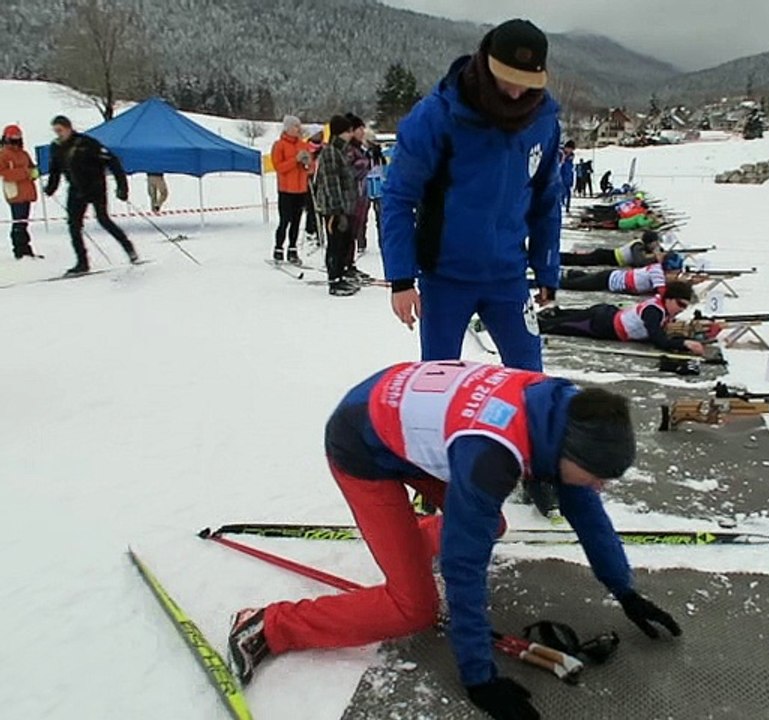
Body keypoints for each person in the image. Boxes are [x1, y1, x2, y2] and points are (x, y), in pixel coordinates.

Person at [228, 360, 682, 720]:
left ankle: (405, 544)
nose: (600, 487)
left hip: (407, 417)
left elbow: (582, 502)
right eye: (598, 475)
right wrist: (478, 677)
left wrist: (625, 589)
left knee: (488, 525)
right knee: (415, 607)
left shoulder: (564, 410)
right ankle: (269, 627)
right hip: (360, 445)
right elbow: (464, 567)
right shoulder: (492, 455)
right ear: (569, 453)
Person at [381, 18, 563, 372]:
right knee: (439, 379)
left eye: (527, 84)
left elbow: (546, 198)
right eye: (508, 79)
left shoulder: (543, 121)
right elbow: (398, 197)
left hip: (508, 276)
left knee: (530, 377)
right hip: (446, 277)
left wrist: (547, 269)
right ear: (486, 65)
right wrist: (401, 279)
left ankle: (520, 429)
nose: (515, 93)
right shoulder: (437, 116)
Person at [44, 115, 137, 275]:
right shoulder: (56, 147)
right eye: (55, 131)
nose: (58, 134)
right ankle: (82, 262)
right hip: (76, 190)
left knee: (103, 220)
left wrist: (122, 187)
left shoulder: (87, 143)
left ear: (68, 128)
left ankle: (129, 248)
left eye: (60, 130)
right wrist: (51, 187)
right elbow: (55, 169)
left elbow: (112, 161)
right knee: (74, 226)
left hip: (95, 187)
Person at [538, 280, 705, 355]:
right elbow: (659, 340)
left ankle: (552, 313)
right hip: (601, 323)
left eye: (685, 307)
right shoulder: (654, 311)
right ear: (669, 299)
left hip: (607, 316)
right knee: (550, 326)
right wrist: (684, 343)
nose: (681, 310)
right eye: (680, 305)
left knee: (562, 319)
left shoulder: (662, 309)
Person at [314, 115, 360, 296]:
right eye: (348, 132)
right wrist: (336, 211)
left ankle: (342, 274)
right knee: (336, 243)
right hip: (335, 209)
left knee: (345, 242)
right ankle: (334, 280)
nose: (350, 135)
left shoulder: (341, 151)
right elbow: (332, 183)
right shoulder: (331, 152)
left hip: (345, 207)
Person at [270, 115, 312, 265]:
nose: (298, 129)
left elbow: (310, 168)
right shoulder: (279, 145)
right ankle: (278, 247)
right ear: (287, 128)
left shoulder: (303, 145)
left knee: (296, 221)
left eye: (299, 126)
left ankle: (293, 248)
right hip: (286, 189)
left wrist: (307, 164)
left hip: (301, 189)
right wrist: (295, 160)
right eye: (295, 126)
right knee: (285, 220)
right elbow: (279, 167)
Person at [560, 251, 684, 295]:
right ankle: (553, 281)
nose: (676, 275)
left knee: (585, 279)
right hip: (609, 281)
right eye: (676, 272)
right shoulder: (657, 273)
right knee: (575, 285)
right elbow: (661, 292)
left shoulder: (657, 269)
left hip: (612, 276)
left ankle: (570, 273)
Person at [0, 124, 38, 259]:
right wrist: (25, 173)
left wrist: (34, 172)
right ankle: (20, 251)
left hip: (27, 191)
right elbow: (4, 173)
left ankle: (26, 250)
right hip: (15, 192)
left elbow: (32, 168)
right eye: (13, 138)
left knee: (23, 222)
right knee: (19, 222)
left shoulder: (23, 153)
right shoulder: (3, 154)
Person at [559, 230, 661, 268]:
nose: (655, 246)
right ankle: (559, 258)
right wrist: (654, 256)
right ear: (649, 241)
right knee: (579, 260)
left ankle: (560, 257)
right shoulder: (638, 246)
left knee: (580, 258)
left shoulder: (641, 245)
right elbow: (640, 261)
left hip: (607, 255)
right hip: (605, 257)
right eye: (654, 243)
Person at [345, 113, 372, 256]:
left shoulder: (362, 149)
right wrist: (363, 164)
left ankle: (351, 261)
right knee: (348, 231)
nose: (362, 132)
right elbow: (349, 171)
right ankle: (344, 263)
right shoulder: (349, 149)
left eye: (363, 129)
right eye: (359, 129)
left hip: (362, 194)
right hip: (352, 195)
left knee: (357, 228)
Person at [559, 140, 575, 213]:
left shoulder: (571, 157)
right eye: (569, 149)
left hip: (567, 180)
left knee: (568, 194)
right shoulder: (560, 154)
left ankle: (567, 208)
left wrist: (571, 180)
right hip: (559, 179)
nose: (570, 151)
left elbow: (570, 170)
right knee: (560, 194)